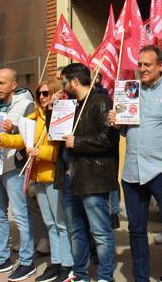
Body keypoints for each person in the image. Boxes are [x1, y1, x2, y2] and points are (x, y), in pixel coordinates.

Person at [107, 45, 162, 282]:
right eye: (139, 64)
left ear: (160, 66)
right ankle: (140, 277)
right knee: (135, 230)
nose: (141, 69)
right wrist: (116, 122)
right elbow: (125, 130)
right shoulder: (128, 90)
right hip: (132, 170)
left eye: (147, 65)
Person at [0, 78, 71, 282]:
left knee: (60, 223)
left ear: (56, 94)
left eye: (46, 93)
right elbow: (21, 140)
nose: (41, 97)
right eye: (39, 93)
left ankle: (67, 265)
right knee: (50, 223)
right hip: (37, 175)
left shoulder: (60, 116)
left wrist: (41, 152)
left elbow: (59, 148)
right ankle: (56, 263)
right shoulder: (33, 116)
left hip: (52, 176)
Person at [58, 63, 119, 282]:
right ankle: (80, 273)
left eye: (63, 82)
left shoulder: (101, 101)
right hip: (73, 176)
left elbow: (109, 139)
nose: (61, 86)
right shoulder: (72, 105)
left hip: (94, 178)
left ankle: (105, 276)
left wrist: (78, 142)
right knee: (77, 230)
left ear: (75, 81)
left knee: (100, 232)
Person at [0, 68, 36, 281]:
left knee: (20, 215)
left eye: (2, 83)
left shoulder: (25, 105)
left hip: (14, 167)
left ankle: (27, 261)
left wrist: (14, 129)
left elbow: (32, 135)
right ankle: (2, 259)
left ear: (13, 84)